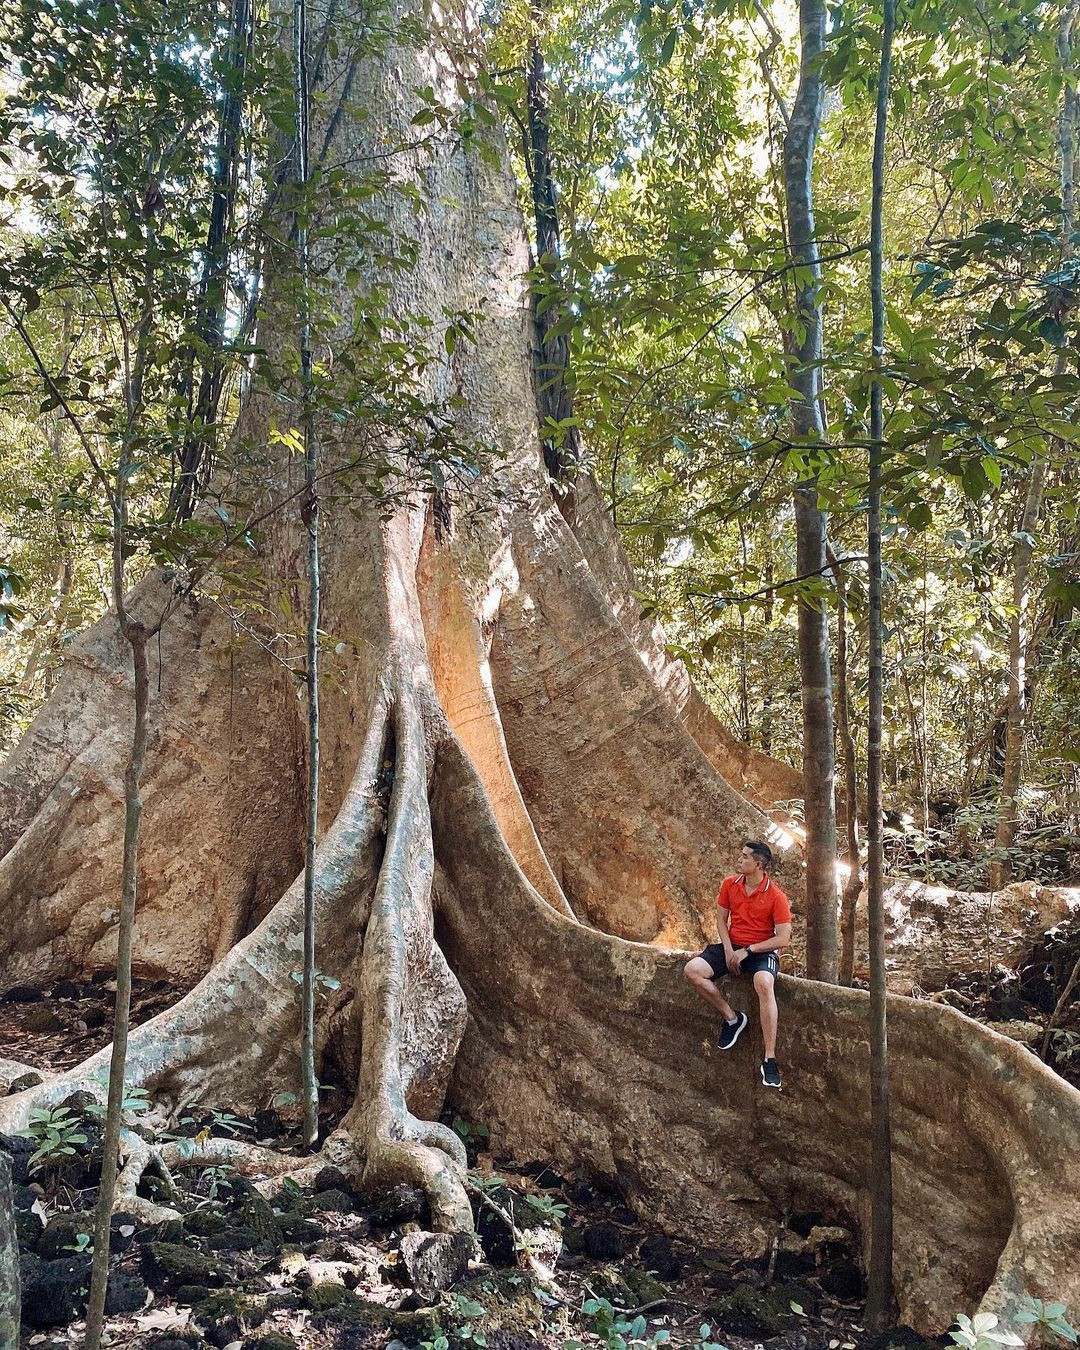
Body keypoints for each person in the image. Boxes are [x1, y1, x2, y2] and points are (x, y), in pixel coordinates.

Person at [683, 839, 791, 1089]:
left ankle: (770, 1059)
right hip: (733, 947)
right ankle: (732, 1019)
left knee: (763, 982)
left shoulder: (776, 896)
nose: (739, 860)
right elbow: (721, 920)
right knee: (693, 970)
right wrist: (731, 951)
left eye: (744, 857)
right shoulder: (730, 884)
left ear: (758, 864)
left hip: (760, 951)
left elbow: (783, 937)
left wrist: (749, 950)